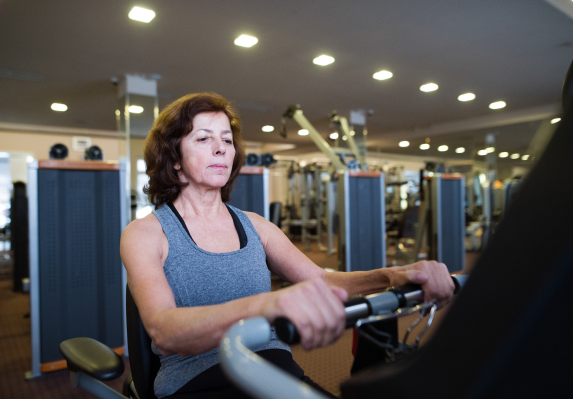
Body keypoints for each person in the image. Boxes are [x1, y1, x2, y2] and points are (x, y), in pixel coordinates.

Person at [120, 92, 455, 399]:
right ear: (174, 156)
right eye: (204, 138)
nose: (221, 148)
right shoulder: (145, 234)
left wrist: (393, 274)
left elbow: (320, 281)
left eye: (226, 139)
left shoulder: (257, 226)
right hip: (198, 383)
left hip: (274, 371)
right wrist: (268, 305)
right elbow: (163, 330)